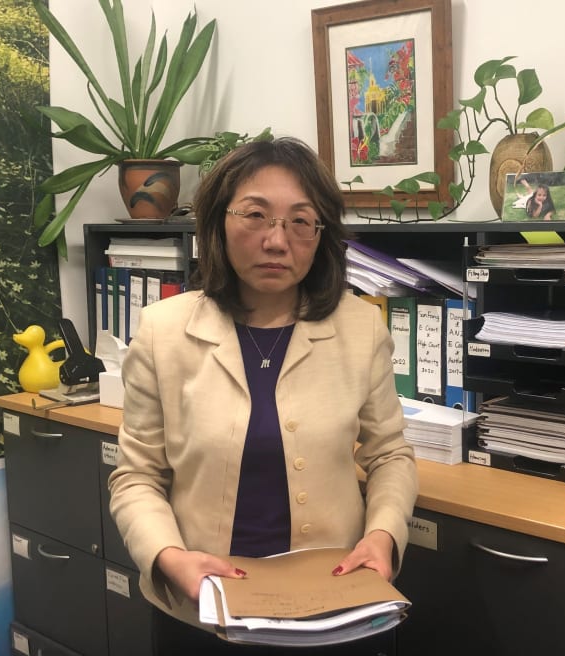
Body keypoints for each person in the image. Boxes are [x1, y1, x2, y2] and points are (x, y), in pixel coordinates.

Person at [107, 137, 419, 655]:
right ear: (218, 225)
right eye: (256, 215)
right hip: (204, 608)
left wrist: (383, 536)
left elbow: (390, 454)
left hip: (332, 606)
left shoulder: (360, 328)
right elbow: (136, 476)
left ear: (321, 236)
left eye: (301, 221)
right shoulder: (164, 330)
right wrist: (168, 556)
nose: (278, 241)